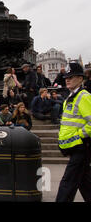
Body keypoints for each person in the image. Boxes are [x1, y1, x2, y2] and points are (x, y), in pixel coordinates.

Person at [56, 62, 91, 202]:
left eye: (72, 76)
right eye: (66, 77)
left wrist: (78, 136)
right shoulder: (69, 99)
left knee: (67, 183)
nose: (67, 79)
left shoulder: (84, 97)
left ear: (81, 78)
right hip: (73, 146)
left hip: (81, 146)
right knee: (85, 182)